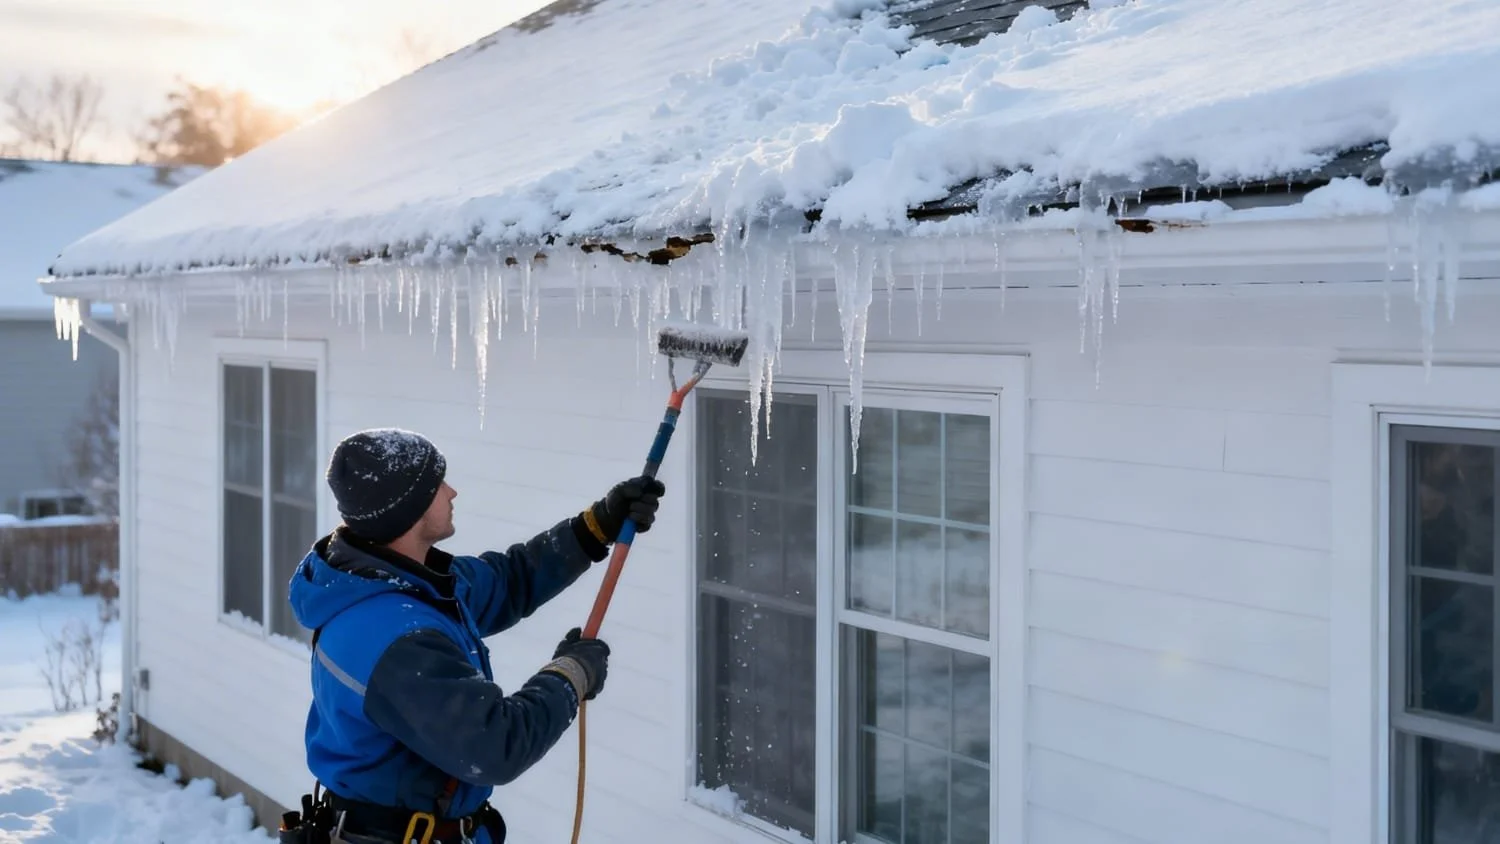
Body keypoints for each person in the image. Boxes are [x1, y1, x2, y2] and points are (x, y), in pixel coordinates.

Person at [284, 428, 664, 844]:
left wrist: (596, 526)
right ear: (407, 510)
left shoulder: (395, 582)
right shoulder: (395, 640)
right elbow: (494, 746)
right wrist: (572, 674)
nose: (451, 492)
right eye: (435, 485)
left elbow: (508, 580)